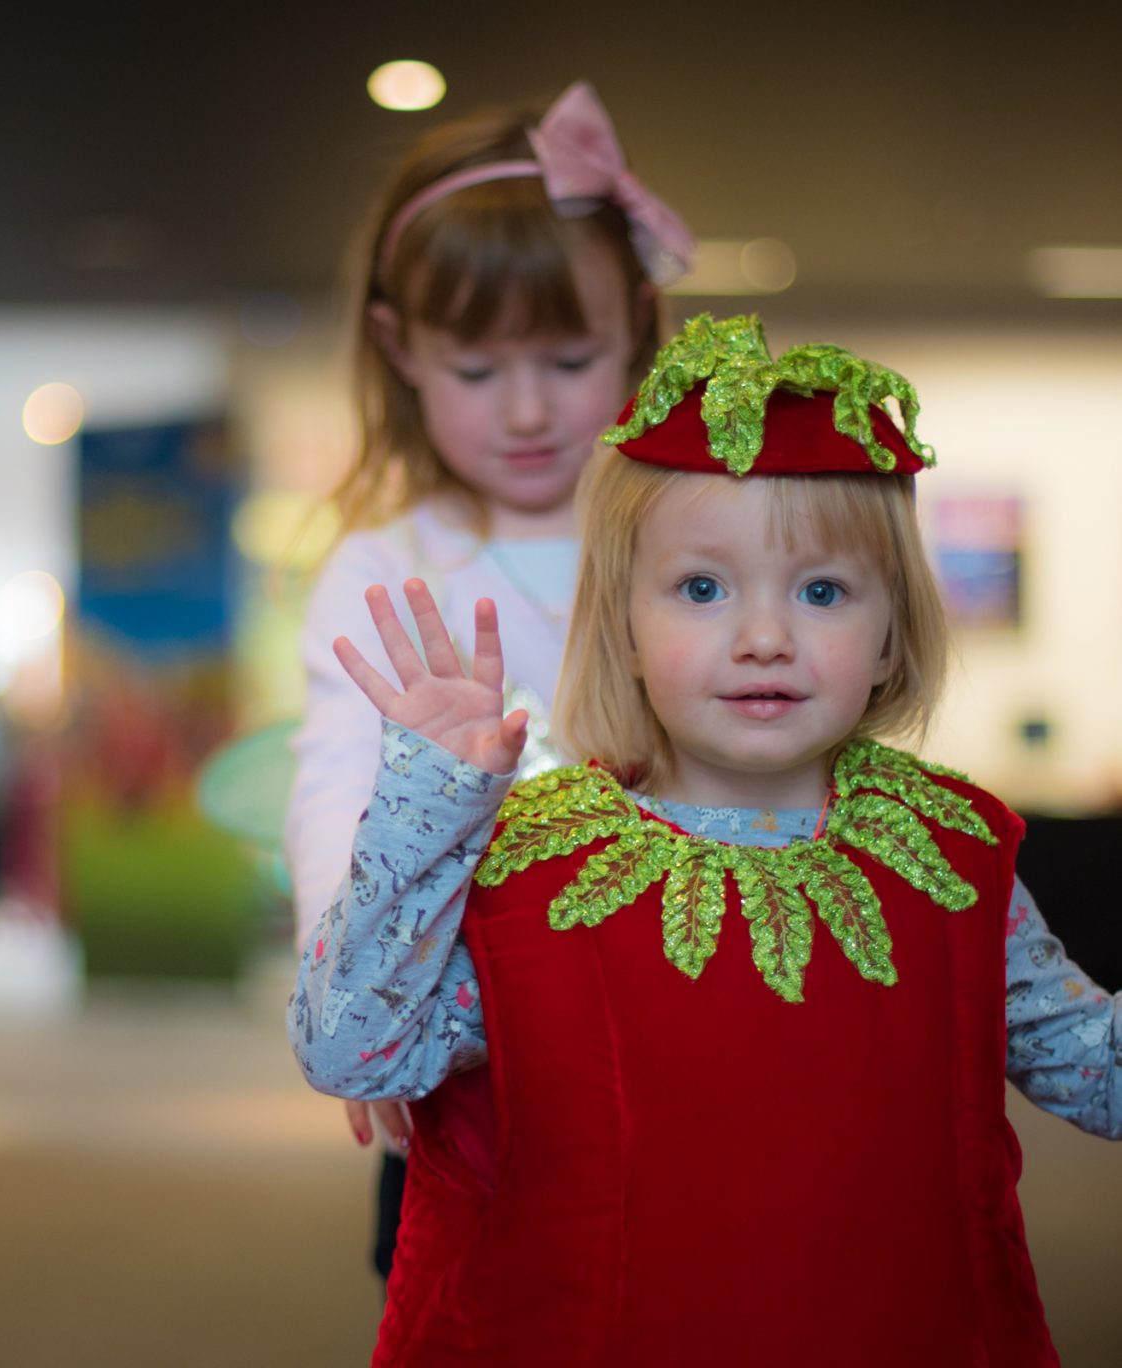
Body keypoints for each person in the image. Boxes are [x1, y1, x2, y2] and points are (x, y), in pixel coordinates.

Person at [290, 313, 1120, 1364]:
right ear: (623, 629)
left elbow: (1096, 1068)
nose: (764, 635)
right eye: (701, 588)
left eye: (822, 592)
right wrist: (427, 809)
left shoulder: (950, 856)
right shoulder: (532, 871)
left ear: (891, 633)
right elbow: (352, 1047)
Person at [283, 80, 693, 1280]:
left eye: (569, 358)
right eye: (476, 370)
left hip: (679, 1020)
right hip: (471, 1038)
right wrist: (343, 979)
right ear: (401, 349)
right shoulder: (382, 564)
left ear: (641, 326)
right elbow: (337, 794)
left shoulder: (690, 531)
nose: (526, 410)